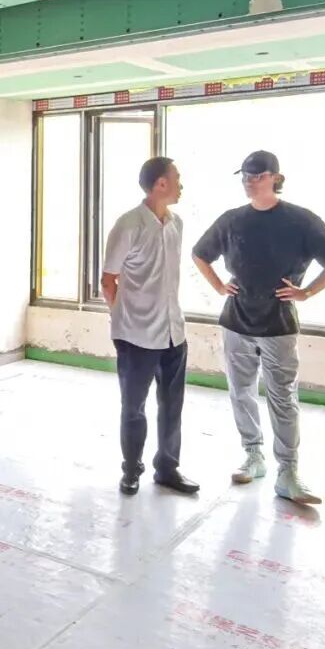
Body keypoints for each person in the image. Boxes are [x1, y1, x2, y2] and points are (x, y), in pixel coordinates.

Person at [192, 151, 325, 505]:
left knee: (283, 397)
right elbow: (200, 253)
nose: (250, 182)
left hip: (278, 323)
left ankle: (288, 472)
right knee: (241, 391)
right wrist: (219, 286)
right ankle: (253, 454)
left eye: (257, 176)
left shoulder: (300, 221)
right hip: (236, 321)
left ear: (276, 178)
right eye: (245, 177)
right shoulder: (232, 220)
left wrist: (307, 292)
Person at [101, 157, 199, 497]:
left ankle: (168, 468)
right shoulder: (129, 224)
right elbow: (108, 280)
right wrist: (123, 317)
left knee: (172, 406)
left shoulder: (176, 224)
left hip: (174, 332)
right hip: (136, 335)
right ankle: (131, 470)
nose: (181, 184)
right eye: (177, 178)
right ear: (160, 183)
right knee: (134, 407)